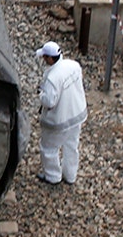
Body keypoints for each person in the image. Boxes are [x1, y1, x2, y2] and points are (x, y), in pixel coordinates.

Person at [35, 42, 87, 186]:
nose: (44, 60)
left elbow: (49, 102)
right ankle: (70, 175)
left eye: (45, 57)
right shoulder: (74, 66)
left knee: (49, 148)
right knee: (71, 145)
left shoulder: (52, 78)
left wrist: (41, 94)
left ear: (51, 58)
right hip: (77, 115)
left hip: (60, 120)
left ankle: (53, 176)